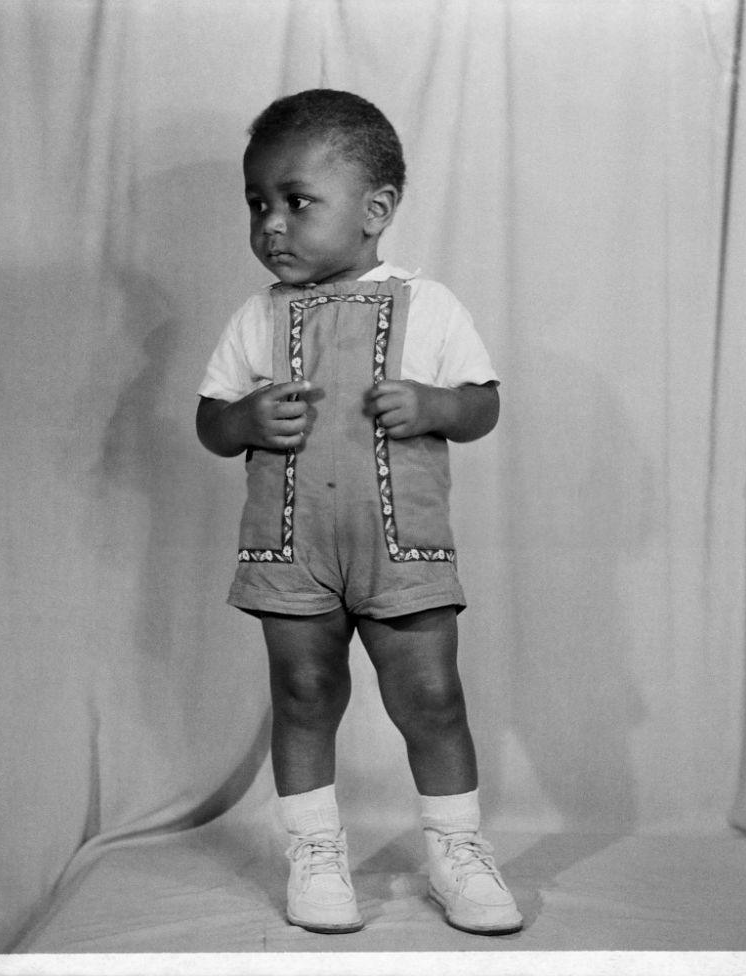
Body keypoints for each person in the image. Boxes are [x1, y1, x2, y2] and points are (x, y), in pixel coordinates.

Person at [195, 89, 522, 937]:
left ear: (375, 210)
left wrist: (436, 407)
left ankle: (456, 850)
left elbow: (483, 406)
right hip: (290, 548)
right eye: (257, 203)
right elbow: (212, 421)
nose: (271, 224)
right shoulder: (254, 319)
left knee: (432, 696)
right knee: (303, 692)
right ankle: (314, 852)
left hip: (402, 547)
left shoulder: (433, 305)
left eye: (296, 202)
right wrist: (245, 421)